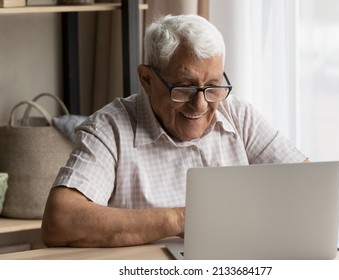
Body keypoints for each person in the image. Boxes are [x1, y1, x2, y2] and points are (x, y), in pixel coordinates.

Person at [41, 14, 308, 248]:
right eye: (184, 87)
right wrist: (182, 219)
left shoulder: (237, 113)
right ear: (147, 79)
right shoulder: (110, 128)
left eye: (213, 85)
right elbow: (61, 220)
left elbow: (308, 185)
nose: (200, 104)